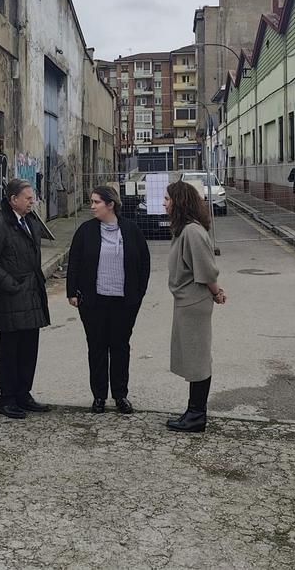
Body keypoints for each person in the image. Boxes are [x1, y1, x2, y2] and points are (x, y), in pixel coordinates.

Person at [66, 185, 152, 415]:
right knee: (96, 348)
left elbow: (144, 263)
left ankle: (121, 395)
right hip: (94, 301)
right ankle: (99, 396)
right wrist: (72, 292)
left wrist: (138, 293)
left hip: (124, 302)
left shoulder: (131, 230)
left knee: (120, 347)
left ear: (110, 204)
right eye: (91, 201)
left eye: (96, 202)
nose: (92, 206)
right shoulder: (86, 231)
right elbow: (74, 262)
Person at [0, 178, 51, 419]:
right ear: (13, 200)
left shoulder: (30, 221)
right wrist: (11, 284)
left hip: (31, 294)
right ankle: (7, 398)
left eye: (33, 197)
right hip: (11, 297)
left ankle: (24, 393)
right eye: (28, 198)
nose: (33, 201)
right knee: (11, 350)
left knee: (29, 347)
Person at [164, 179, 226, 433]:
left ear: (179, 202)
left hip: (194, 302)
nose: (164, 203)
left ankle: (197, 415)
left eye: (168, 199)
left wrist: (217, 292)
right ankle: (193, 411)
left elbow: (206, 270)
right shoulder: (184, 230)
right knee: (192, 357)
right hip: (186, 301)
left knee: (198, 358)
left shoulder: (192, 231)